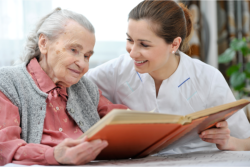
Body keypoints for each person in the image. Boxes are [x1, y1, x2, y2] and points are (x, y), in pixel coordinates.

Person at [86, 0, 250, 154]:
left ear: (174, 44)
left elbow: (247, 141)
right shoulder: (118, 70)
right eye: (129, 40)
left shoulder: (208, 78)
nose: (133, 52)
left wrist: (228, 142)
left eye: (144, 44)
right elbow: (75, 84)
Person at [0, 8, 128, 166]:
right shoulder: (7, 82)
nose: (82, 63)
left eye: (87, 56)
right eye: (74, 50)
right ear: (44, 43)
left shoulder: (86, 88)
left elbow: (121, 120)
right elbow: (5, 148)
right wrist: (55, 155)